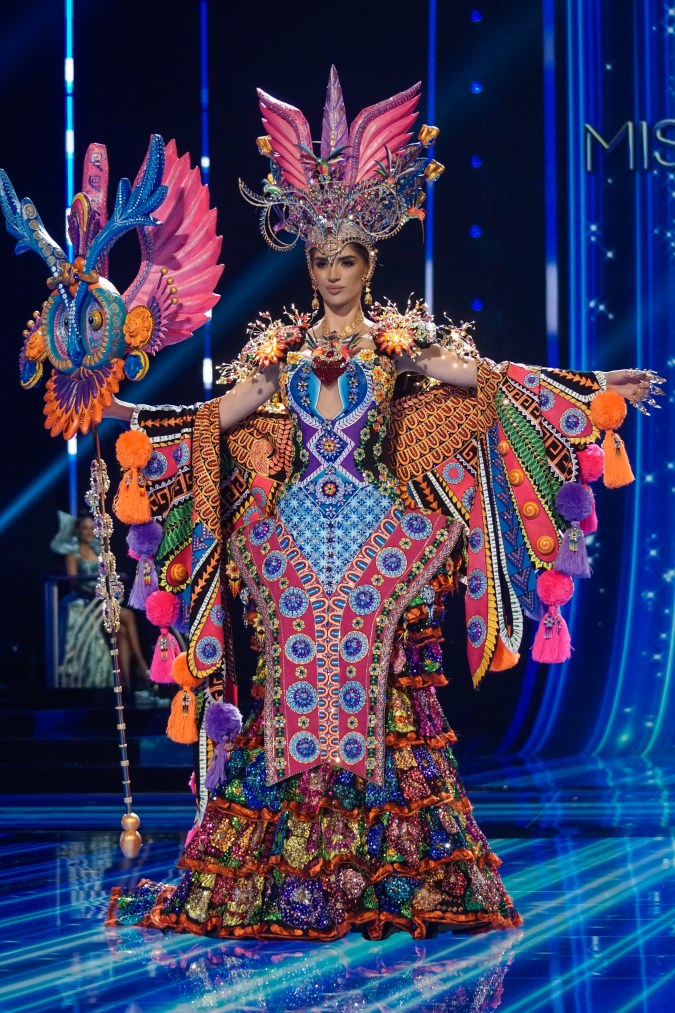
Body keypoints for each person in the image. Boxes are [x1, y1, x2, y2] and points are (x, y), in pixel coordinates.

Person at [106, 69, 660, 940]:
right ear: (308, 262)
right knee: (290, 697)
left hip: (379, 548)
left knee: (388, 697)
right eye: (319, 258)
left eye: (346, 259)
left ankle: (393, 872)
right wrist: (138, 422)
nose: (330, 272)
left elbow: (485, 382)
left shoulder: (399, 345)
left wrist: (587, 387)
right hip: (292, 551)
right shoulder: (279, 351)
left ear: (370, 262)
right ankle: (281, 867)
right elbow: (219, 420)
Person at [51, 510, 152, 698]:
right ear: (78, 531)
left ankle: (126, 684)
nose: (88, 532)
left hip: (102, 600)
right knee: (128, 616)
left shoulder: (97, 552)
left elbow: (108, 576)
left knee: (121, 631)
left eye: (91, 529)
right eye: (84, 529)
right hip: (86, 601)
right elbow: (74, 581)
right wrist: (96, 591)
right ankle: (141, 664)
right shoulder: (72, 554)